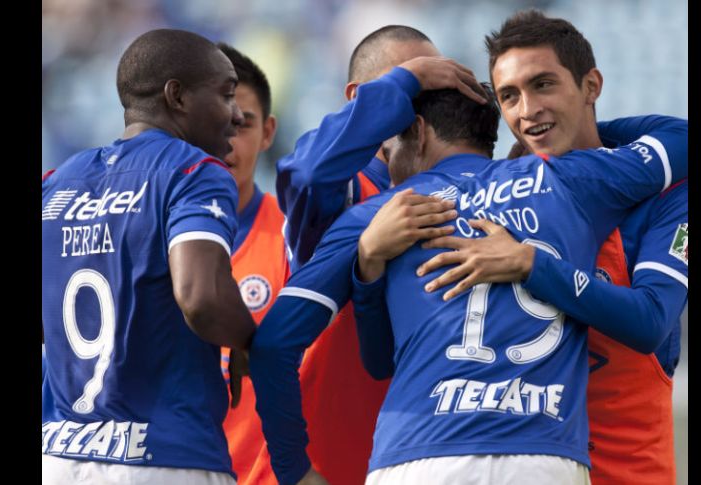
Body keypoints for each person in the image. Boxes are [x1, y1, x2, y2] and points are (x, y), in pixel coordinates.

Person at [249, 62, 688, 484]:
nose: (387, 165)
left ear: (417, 134)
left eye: (390, 148)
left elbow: (274, 346)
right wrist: (574, 125)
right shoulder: (563, 179)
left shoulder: (382, 213)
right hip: (544, 457)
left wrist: (294, 472)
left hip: (416, 457)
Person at [404, 11, 686, 484]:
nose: (527, 110)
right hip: (521, 464)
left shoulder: (664, 195)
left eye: (543, 85)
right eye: (509, 96)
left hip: (626, 471)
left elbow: (651, 321)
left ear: (591, 86)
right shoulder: (496, 194)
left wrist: (532, 263)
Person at [246, 26, 483, 485]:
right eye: (415, 83)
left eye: (433, 87)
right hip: (322, 466)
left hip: (419, 460)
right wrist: (407, 80)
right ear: (361, 98)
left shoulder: (464, 196)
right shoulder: (352, 191)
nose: (424, 98)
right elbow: (308, 173)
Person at [41, 29, 255, 485]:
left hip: (58, 456)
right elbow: (201, 298)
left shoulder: (55, 184)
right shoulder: (193, 171)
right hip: (164, 457)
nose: (237, 116)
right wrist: (249, 341)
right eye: (226, 94)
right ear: (176, 97)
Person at [214, 43, 288, 485]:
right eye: (213, 123)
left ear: (268, 132)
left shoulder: (295, 239)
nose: (226, 141)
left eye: (241, 124)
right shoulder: (140, 240)